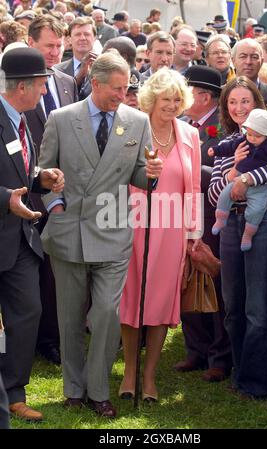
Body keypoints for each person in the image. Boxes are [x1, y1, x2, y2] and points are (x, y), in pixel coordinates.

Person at [38, 52, 163, 418]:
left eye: (127, 88)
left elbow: (140, 176)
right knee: (71, 317)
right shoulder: (62, 119)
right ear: (95, 83)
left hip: (113, 233)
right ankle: (74, 389)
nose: (123, 95)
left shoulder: (137, 122)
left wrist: (152, 173)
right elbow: (45, 172)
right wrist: (56, 207)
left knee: (107, 313)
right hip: (70, 233)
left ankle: (99, 389)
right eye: (117, 88)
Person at [208, 76, 267, 399]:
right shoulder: (228, 140)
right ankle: (241, 373)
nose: (239, 108)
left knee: (258, 305)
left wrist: (247, 177)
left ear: (257, 103)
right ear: (226, 107)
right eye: (233, 102)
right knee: (233, 304)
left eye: (245, 101)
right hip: (231, 222)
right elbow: (214, 191)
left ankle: (258, 384)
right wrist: (233, 173)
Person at [119, 67, 201, 402]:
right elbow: (117, 177)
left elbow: (193, 188)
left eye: (177, 99)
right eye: (165, 98)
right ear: (151, 100)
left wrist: (193, 232)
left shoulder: (189, 134)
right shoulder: (131, 129)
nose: (171, 105)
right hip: (131, 226)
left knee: (160, 302)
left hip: (171, 233)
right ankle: (128, 373)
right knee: (130, 298)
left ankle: (149, 376)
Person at [0, 47, 64, 422]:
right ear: (21, 85)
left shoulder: (23, 118)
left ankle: (13, 392)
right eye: (41, 85)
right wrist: (6, 198)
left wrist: (41, 179)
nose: (45, 92)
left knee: (28, 312)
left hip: (21, 238)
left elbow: (18, 170)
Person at [25, 14, 78, 365]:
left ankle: (52, 338)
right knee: (30, 268)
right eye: (49, 45)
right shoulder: (13, 83)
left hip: (63, 192)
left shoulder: (67, 81)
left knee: (57, 270)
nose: (55, 51)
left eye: (59, 45)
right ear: (31, 44)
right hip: (27, 194)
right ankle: (29, 338)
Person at [174, 65, 232, 381]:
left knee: (215, 281)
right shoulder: (181, 124)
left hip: (212, 218)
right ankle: (195, 350)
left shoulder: (224, 129)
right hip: (180, 213)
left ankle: (220, 356)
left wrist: (196, 175)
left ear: (204, 96)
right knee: (186, 279)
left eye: (185, 91)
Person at [209, 108, 267, 250]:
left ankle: (248, 235)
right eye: (232, 102)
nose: (252, 138)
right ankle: (220, 219)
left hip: (262, 188)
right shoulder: (243, 139)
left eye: (245, 101)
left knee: (257, 211)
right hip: (234, 204)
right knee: (225, 195)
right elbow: (228, 147)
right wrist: (216, 151)